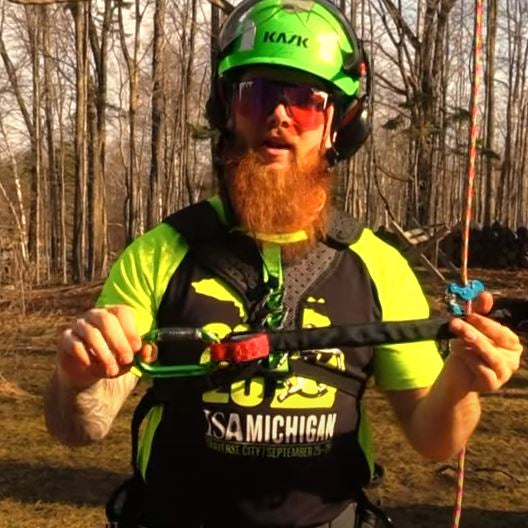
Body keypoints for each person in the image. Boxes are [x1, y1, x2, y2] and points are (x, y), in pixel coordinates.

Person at [44, 1, 523, 527]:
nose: (280, 115)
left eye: (306, 101)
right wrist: (76, 378)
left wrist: (460, 381)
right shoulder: (161, 253)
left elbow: (435, 440)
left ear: (339, 126)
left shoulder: (377, 266)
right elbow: (79, 427)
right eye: (259, 94)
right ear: (227, 109)